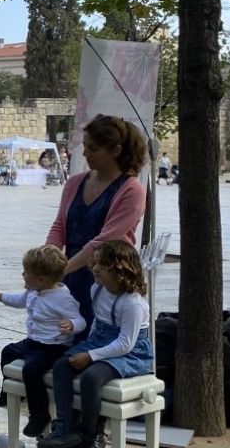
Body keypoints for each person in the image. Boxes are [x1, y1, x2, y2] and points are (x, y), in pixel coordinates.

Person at [39, 241, 153, 448]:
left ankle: (87, 434)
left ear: (121, 268)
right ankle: (65, 426)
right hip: (101, 341)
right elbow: (97, 324)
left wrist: (91, 356)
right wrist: (87, 347)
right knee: (62, 366)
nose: (96, 268)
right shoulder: (97, 289)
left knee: (92, 378)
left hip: (129, 352)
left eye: (103, 264)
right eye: (96, 263)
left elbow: (125, 344)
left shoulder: (132, 303)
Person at [45, 114, 147, 333]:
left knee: (92, 339)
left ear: (115, 151)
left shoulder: (131, 190)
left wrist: (62, 269)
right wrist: (49, 257)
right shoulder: (75, 183)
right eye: (85, 146)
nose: (85, 153)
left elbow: (105, 239)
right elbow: (60, 226)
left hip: (106, 278)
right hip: (70, 272)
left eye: (93, 148)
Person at [0, 245, 86, 438]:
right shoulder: (33, 291)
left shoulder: (63, 298)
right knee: (8, 351)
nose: (23, 274)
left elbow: (81, 320)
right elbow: (19, 300)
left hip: (53, 347)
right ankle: (9, 392)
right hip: (33, 342)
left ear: (41, 279)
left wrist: (71, 324)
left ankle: (39, 415)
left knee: (31, 370)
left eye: (26, 272)